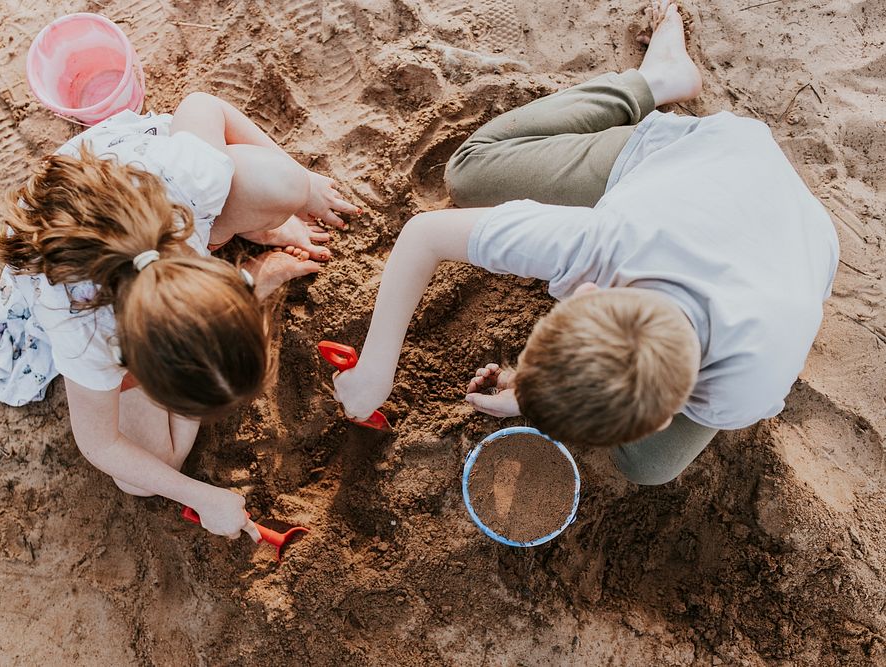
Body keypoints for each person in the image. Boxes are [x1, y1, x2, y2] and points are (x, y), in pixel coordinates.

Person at [330, 0, 838, 485]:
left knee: (650, 468)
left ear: (590, 293)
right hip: (708, 164)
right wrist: (377, 368)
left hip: (798, 238)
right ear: (590, 293)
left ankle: (660, 79)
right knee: (469, 171)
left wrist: (536, 392)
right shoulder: (600, 240)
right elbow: (423, 235)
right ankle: (658, 80)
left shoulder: (743, 392)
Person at [0, 92, 359, 539]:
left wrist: (306, 186)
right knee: (142, 477)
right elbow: (99, 442)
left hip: (131, 182)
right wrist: (200, 495)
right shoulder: (86, 333)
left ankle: (260, 227)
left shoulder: (188, 179)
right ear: (136, 368)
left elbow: (205, 104)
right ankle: (250, 263)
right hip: (64, 243)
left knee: (285, 183)